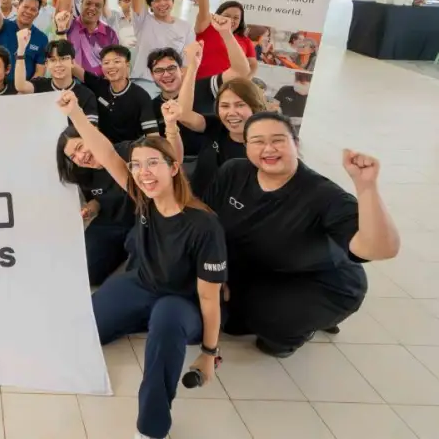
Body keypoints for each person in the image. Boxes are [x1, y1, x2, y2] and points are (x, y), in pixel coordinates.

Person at [57, 90, 226, 439]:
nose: (143, 172)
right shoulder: (143, 197)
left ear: (174, 167)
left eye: (152, 164)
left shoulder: (204, 225)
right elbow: (105, 152)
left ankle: (152, 428)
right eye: (135, 165)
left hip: (180, 301)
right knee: (80, 332)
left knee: (164, 329)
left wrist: (209, 353)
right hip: (141, 283)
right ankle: (140, 319)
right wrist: (74, 113)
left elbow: (209, 298)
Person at [204, 112, 400, 357]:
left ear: (295, 143)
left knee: (271, 324)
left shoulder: (324, 195)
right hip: (259, 269)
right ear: (246, 147)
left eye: (278, 140)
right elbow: (207, 222)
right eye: (257, 141)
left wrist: (367, 187)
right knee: (229, 322)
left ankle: (302, 328)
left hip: (317, 282)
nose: (268, 148)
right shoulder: (233, 171)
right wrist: (214, 271)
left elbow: (379, 249)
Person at [56, 100, 183, 285]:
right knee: (88, 272)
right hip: (110, 223)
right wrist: (89, 209)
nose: (81, 157)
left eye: (80, 147)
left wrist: (171, 126)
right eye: (73, 156)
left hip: (141, 221)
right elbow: (98, 199)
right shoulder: (84, 174)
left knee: (138, 254)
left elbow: (171, 159)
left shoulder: (127, 152)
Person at [177, 41, 267, 198]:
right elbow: (183, 115)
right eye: (225, 106)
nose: (232, 112)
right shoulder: (216, 125)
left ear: (255, 106)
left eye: (240, 105)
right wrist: (193, 67)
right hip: (196, 203)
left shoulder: (265, 145)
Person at [120, 0, 195, 96]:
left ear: (173, 1)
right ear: (150, 5)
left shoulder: (185, 27)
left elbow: (187, 63)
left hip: (171, 85)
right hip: (144, 83)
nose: (162, 4)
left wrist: (181, 91)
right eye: (156, 0)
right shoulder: (143, 21)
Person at [73, 43, 159, 142]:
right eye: (106, 63)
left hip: (129, 149)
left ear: (127, 65)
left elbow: (153, 136)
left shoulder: (141, 96)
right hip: (102, 146)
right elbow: (73, 68)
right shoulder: (99, 85)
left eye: (116, 61)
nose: (111, 66)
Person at [14, 36, 98, 126]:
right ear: (46, 64)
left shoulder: (86, 95)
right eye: (53, 60)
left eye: (63, 59)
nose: (58, 64)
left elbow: (92, 130)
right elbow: (20, 86)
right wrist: (21, 51)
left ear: (72, 62)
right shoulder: (39, 85)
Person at [54, 0, 120, 77]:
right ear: (81, 5)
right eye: (88, 4)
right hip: (71, 82)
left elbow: (114, 64)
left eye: (97, 5)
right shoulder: (69, 26)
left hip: (101, 83)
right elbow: (64, 10)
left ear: (102, 9)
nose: (92, 8)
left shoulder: (110, 33)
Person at [192, 0, 258, 79]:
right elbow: (203, 10)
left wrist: (243, 82)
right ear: (218, 15)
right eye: (227, 16)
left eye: (236, 18)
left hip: (227, 86)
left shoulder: (245, 41)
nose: (230, 20)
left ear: (241, 21)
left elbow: (253, 65)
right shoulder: (206, 29)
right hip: (200, 83)